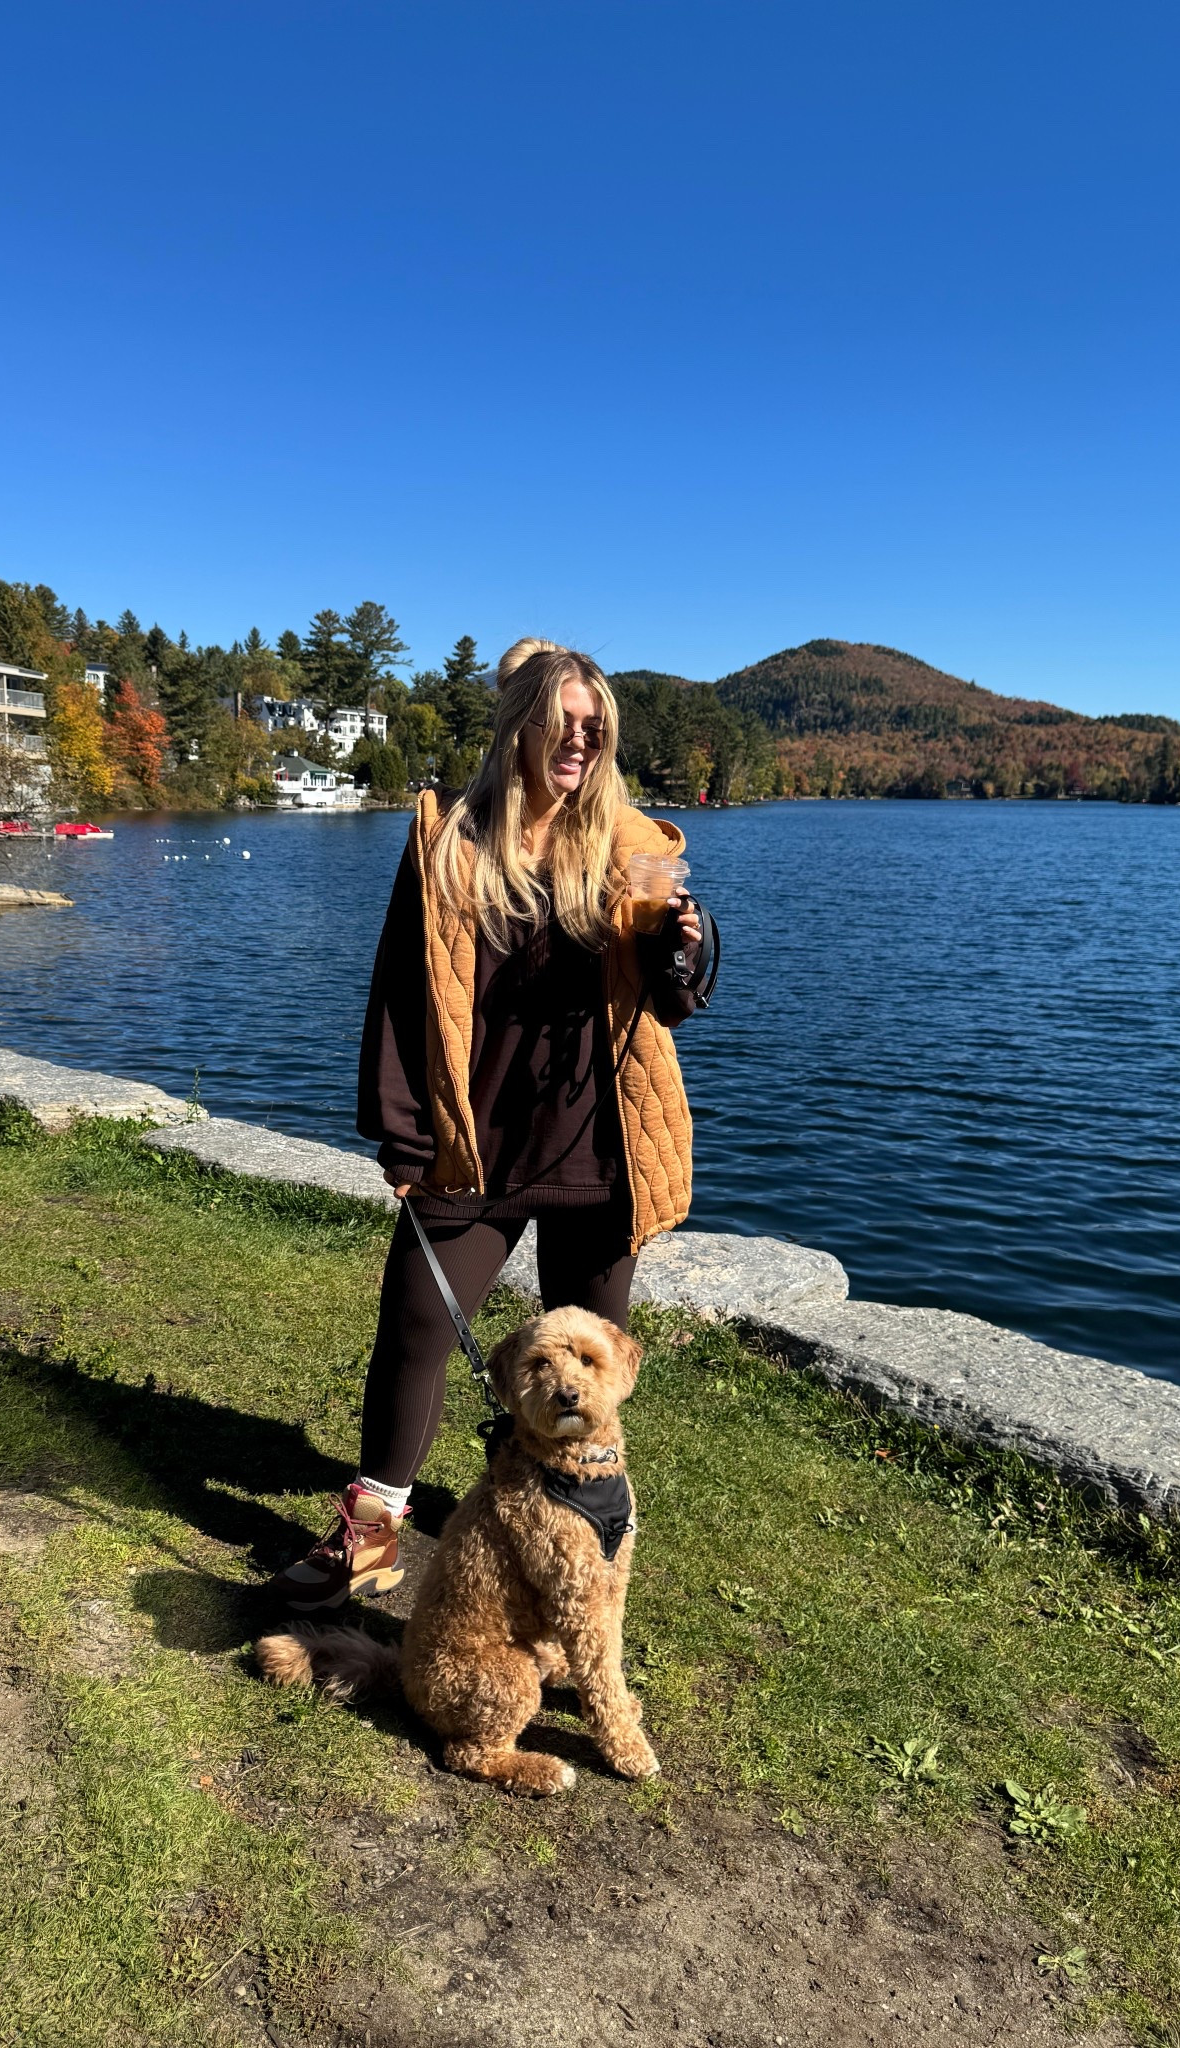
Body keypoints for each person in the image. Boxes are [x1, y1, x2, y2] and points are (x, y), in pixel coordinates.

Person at [273, 637, 714, 1610]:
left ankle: (576, 1555)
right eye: (563, 724)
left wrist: (685, 942)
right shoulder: (451, 841)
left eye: (595, 730)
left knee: (587, 1365)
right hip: (473, 1140)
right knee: (416, 1331)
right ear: (521, 727)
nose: (579, 742)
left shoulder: (631, 841)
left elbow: (673, 999)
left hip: (601, 1143)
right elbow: (399, 990)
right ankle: (372, 1539)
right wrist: (401, 1128)